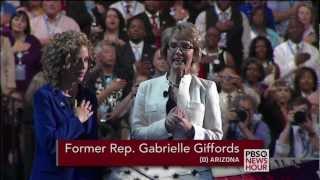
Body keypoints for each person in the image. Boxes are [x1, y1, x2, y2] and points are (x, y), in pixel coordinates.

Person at [129, 22, 222, 179]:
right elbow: (136, 134)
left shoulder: (207, 87)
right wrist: (164, 125)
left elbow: (216, 137)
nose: (178, 51)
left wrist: (192, 130)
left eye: (185, 46)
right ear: (166, 51)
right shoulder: (146, 87)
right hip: (154, 172)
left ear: (195, 53)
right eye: (173, 45)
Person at [30, 31, 100, 180]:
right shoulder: (44, 97)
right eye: (76, 60)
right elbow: (51, 145)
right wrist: (77, 120)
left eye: (86, 60)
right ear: (61, 62)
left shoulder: (88, 97)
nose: (83, 66)